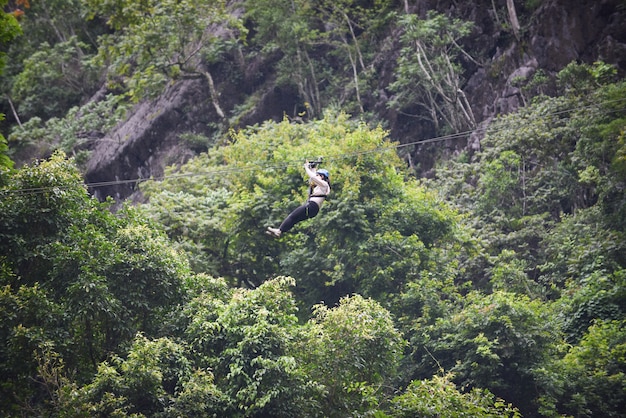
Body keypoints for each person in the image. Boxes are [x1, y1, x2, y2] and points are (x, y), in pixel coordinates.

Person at [266, 162, 330, 237]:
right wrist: (313, 168)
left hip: (311, 206)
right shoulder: (321, 186)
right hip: (313, 209)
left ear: (322, 176)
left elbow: (313, 177)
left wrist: (306, 167)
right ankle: (280, 231)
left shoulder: (324, 185)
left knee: (292, 215)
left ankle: (279, 230)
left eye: (318, 175)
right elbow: (314, 177)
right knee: (295, 219)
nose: (316, 176)